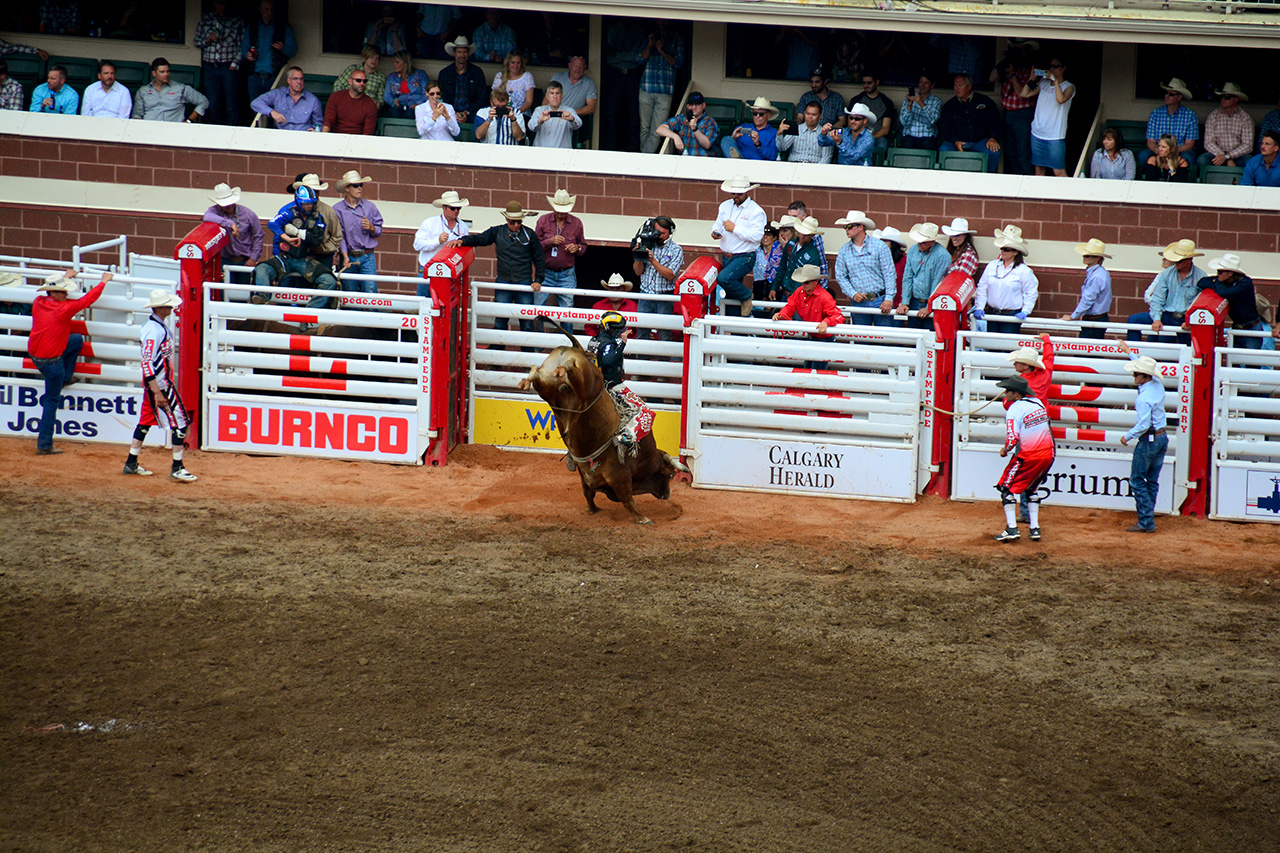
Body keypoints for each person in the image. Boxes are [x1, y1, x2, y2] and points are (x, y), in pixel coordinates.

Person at [27, 270, 109, 455]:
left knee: (76, 340)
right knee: (51, 400)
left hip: (37, 355)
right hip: (52, 363)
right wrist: (103, 282)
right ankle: (44, 443)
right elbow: (87, 300)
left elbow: (62, 294)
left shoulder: (39, 302)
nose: (67, 294)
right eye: (64, 291)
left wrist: (66, 277)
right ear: (54, 293)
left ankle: (66, 377)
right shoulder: (64, 310)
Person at [123, 290, 197, 482]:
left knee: (146, 419)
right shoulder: (155, 330)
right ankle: (177, 466)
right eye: (168, 305)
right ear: (160, 307)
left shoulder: (154, 327)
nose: (171, 308)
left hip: (155, 382)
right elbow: (147, 361)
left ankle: (131, 462)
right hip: (160, 383)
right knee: (180, 421)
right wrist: (157, 390)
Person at [450, 201, 545, 334]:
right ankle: (497, 347)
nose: (516, 225)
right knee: (500, 319)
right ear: (506, 219)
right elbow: (480, 239)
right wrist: (463, 241)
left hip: (523, 281)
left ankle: (526, 351)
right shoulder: (497, 231)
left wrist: (538, 279)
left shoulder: (530, 234)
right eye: (512, 222)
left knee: (526, 321)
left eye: (519, 222)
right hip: (504, 280)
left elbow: (539, 258)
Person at [254, 185, 339, 317]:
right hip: (285, 258)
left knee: (329, 281)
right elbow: (272, 223)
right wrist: (287, 237)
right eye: (305, 204)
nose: (308, 207)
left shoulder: (318, 218)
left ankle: (308, 313)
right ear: (299, 202)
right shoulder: (289, 212)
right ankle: (262, 297)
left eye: (311, 204)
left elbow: (316, 239)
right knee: (261, 269)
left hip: (305, 260)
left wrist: (297, 232)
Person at [992, 374, 1055, 543]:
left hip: (1029, 455)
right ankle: (1034, 529)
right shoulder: (1038, 403)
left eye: (1008, 391)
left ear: (1016, 394)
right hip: (1048, 454)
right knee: (1032, 489)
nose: (1005, 393)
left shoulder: (1015, 409)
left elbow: (1012, 437)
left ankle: (1012, 528)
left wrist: (1005, 450)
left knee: (1007, 488)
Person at [1117, 350, 1167, 534]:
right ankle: (1147, 518)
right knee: (1151, 480)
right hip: (1161, 437)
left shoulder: (1144, 398)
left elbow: (1144, 424)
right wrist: (1129, 353)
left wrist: (1127, 436)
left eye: (1136, 373)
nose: (1133, 376)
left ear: (1144, 376)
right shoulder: (1157, 385)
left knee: (1137, 480)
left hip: (1149, 439)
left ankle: (1146, 521)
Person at [1126, 239, 1205, 344]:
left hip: (1186, 318)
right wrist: (1157, 318)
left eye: (1179, 261)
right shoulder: (1167, 274)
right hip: (1167, 315)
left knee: (1189, 348)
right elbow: (1158, 298)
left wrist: (1191, 320)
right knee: (1134, 320)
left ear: (1190, 259)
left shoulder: (1201, 277)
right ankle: (1132, 352)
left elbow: (1202, 303)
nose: (1176, 263)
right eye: (1175, 260)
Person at [712, 176, 767, 316]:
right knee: (730, 292)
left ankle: (746, 295)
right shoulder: (724, 206)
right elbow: (718, 224)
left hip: (745, 255)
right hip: (728, 255)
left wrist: (734, 228)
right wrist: (715, 232)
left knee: (724, 279)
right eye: (734, 193)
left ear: (747, 192)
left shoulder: (756, 211)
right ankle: (733, 325)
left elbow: (756, 236)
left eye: (739, 194)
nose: (736, 196)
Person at [772, 264, 843, 370]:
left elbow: (838, 315)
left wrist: (826, 322)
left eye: (807, 282)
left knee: (816, 369)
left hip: (823, 339)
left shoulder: (825, 297)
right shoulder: (799, 292)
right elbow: (790, 306)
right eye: (803, 282)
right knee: (809, 368)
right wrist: (781, 315)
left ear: (816, 281)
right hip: (812, 336)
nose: (803, 285)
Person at [834, 209, 894, 326]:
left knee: (884, 339)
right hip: (859, 301)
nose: (846, 229)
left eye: (850, 226)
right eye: (845, 227)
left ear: (861, 227)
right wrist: (853, 293)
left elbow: (889, 273)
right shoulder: (844, 250)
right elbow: (840, 276)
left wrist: (889, 298)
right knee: (861, 339)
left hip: (880, 299)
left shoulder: (879, 247)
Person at [975, 225, 1038, 335]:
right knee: (992, 346)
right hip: (992, 313)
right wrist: (979, 306)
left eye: (1007, 249)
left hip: (1011, 316)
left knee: (1007, 347)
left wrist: (1025, 311)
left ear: (1016, 252)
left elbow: (1031, 292)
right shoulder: (992, 265)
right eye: (1002, 248)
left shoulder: (1024, 271)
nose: (1003, 251)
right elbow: (982, 287)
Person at [535, 189, 588, 317]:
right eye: (558, 211)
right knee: (537, 308)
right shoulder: (543, 221)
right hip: (545, 272)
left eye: (563, 212)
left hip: (567, 273)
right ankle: (537, 336)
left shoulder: (577, 223)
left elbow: (583, 246)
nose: (560, 214)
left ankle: (565, 337)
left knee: (567, 311)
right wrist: (549, 242)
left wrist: (577, 248)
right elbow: (535, 247)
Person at [991, 39, 1038, 175]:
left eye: (1023, 49)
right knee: (1010, 152)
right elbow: (992, 78)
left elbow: (1021, 93)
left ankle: (1026, 182)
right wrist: (1003, 61)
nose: (1020, 53)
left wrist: (1012, 75)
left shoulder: (1032, 71)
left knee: (1023, 152)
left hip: (1023, 114)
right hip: (1008, 113)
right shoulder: (1010, 65)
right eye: (1017, 49)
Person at [631, 215, 682, 341]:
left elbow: (670, 275)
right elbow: (638, 272)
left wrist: (653, 260)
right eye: (657, 232)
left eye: (663, 233)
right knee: (642, 332)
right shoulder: (647, 244)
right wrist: (638, 256)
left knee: (664, 333)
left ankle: (664, 359)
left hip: (664, 296)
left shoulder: (676, 250)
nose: (659, 235)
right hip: (645, 294)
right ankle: (642, 360)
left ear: (670, 232)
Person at [194, 0, 245, 125]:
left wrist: (235, 63)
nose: (222, 6)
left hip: (228, 66)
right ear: (214, 4)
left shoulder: (236, 21)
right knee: (212, 102)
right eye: (219, 3)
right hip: (210, 67)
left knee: (231, 102)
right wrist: (207, 40)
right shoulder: (206, 19)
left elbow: (242, 46)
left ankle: (233, 131)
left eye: (224, 3)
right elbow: (197, 42)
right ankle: (215, 132)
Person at [938, 74, 1002, 173]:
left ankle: (987, 179)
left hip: (980, 142)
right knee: (944, 149)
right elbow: (944, 128)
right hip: (957, 142)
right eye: (955, 85)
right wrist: (955, 141)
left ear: (969, 86)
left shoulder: (985, 101)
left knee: (993, 151)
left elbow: (996, 122)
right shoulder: (950, 105)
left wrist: (993, 138)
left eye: (960, 85)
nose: (957, 88)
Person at [1199, 254, 1265, 349]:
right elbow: (1202, 282)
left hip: (1251, 327)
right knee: (1234, 361)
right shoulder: (1227, 282)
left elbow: (1225, 292)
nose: (1218, 275)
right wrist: (1219, 282)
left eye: (1220, 272)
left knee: (1252, 361)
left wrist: (1216, 282)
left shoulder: (1245, 283)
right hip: (1237, 327)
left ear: (1230, 273)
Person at [1022, 58, 1074, 177]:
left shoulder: (1069, 87)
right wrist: (1031, 79)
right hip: (1037, 133)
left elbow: (1060, 99)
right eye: (1050, 66)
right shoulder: (1043, 83)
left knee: (1059, 171)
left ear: (1063, 68)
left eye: (1055, 66)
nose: (1051, 69)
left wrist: (1055, 81)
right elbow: (1024, 94)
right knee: (1039, 171)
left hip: (1055, 135)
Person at [638, 20, 684, 154]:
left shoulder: (676, 38)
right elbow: (640, 58)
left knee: (658, 129)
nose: (661, 22)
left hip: (665, 90)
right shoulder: (650, 37)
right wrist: (650, 44)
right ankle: (646, 157)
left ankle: (644, 158)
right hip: (646, 87)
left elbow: (678, 63)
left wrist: (661, 50)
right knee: (644, 128)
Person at [332, 171, 383, 293]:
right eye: (355, 186)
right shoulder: (338, 209)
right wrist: (344, 256)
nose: (359, 188)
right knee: (350, 296)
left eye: (361, 185)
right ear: (347, 188)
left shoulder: (370, 207)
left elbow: (379, 230)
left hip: (367, 256)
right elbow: (340, 235)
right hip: (349, 256)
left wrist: (372, 228)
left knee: (371, 294)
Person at [202, 183, 264, 282]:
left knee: (243, 293)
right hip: (225, 260)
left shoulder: (248, 214)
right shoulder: (215, 211)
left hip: (245, 260)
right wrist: (231, 224)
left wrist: (253, 258)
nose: (229, 206)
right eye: (225, 204)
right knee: (224, 292)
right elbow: (207, 216)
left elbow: (258, 236)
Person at [602, 19, 648, 151]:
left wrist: (619, 54)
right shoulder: (614, 29)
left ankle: (633, 150)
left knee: (634, 115)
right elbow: (608, 53)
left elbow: (641, 56)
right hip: (614, 75)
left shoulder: (639, 31)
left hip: (633, 75)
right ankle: (610, 150)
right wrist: (632, 56)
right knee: (612, 114)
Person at [241, 0, 297, 107]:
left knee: (275, 109)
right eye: (266, 9)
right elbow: (244, 48)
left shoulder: (283, 27)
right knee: (256, 109)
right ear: (260, 10)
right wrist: (247, 54)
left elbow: (293, 50)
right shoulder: (252, 27)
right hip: (255, 77)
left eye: (272, 9)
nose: (269, 12)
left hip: (273, 78)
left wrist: (283, 48)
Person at [413, 189, 470, 295]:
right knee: (424, 302)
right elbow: (417, 245)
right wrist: (437, 241)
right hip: (429, 269)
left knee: (447, 305)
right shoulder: (429, 223)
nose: (456, 211)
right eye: (453, 208)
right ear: (444, 208)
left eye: (458, 208)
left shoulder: (463, 226)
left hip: (450, 272)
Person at [898, 222, 950, 329]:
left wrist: (929, 306)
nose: (920, 244)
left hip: (931, 303)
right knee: (914, 335)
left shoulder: (943, 256)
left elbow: (937, 282)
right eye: (919, 241)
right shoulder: (913, 250)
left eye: (923, 242)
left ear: (932, 241)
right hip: (914, 301)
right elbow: (907, 277)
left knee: (930, 336)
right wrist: (905, 302)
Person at [1059, 238, 1112, 339]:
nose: (1084, 258)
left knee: (1086, 351)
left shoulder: (1097, 276)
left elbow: (1088, 299)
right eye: (1084, 255)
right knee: (1091, 351)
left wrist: (1072, 316)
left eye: (1087, 256)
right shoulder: (1099, 273)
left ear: (1097, 258)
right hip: (1095, 318)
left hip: (1095, 319)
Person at [132, 58, 209, 123]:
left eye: (167, 71)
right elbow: (137, 114)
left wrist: (189, 121)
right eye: (162, 72)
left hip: (174, 130)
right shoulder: (143, 91)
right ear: (154, 73)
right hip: (148, 129)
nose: (166, 74)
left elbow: (204, 102)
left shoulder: (180, 88)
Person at [1199, 83, 1253, 169]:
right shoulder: (1213, 116)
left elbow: (1248, 145)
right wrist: (1223, 156)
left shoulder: (1245, 117)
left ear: (1236, 99)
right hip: (1216, 153)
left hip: (1238, 155)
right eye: (1222, 97)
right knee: (1202, 160)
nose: (1223, 99)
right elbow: (1208, 142)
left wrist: (1228, 156)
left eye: (1227, 97)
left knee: (1249, 161)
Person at [771, 216, 823, 302]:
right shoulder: (791, 244)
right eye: (801, 233)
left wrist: (792, 297)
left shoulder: (813, 255)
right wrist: (774, 287)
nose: (802, 236)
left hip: (799, 297)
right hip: (786, 292)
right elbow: (782, 266)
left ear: (812, 235)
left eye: (805, 235)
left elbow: (806, 280)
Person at [437, 36, 487, 124]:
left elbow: (482, 98)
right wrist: (453, 113)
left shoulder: (477, 72)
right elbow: (442, 97)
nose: (462, 55)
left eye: (464, 52)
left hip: (472, 113)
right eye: (459, 52)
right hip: (449, 112)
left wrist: (466, 112)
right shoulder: (445, 73)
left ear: (468, 54)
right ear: (454, 53)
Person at [1145, 77, 1198, 157]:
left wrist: (1172, 151)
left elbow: (1189, 144)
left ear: (1179, 97)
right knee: (1144, 155)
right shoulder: (1155, 113)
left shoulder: (1190, 115)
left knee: (1188, 157)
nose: (1167, 96)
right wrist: (1157, 150)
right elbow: (1151, 142)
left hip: (1179, 151)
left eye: (1171, 94)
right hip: (1159, 150)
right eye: (1166, 93)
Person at [655, 91, 718, 156]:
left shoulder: (710, 121)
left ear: (703, 105)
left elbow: (707, 145)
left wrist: (695, 129)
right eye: (691, 104)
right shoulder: (681, 119)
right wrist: (675, 137)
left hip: (705, 161)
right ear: (687, 106)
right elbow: (660, 129)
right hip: (685, 160)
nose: (694, 107)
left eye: (697, 104)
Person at [849, 70, 895, 150]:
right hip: (857, 135)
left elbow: (885, 129)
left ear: (877, 83)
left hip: (877, 136)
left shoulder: (886, 102)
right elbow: (850, 124)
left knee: (882, 145)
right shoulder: (856, 100)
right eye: (864, 83)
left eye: (869, 83)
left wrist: (869, 138)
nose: (866, 85)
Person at [322, 68, 378, 135]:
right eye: (358, 80)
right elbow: (328, 121)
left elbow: (368, 132)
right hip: (337, 138)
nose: (362, 83)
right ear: (350, 82)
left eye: (365, 81)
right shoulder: (336, 97)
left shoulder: (370, 104)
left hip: (357, 141)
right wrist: (323, 138)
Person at [530, 82, 582, 149]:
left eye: (557, 93)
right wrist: (539, 121)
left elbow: (579, 124)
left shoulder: (569, 111)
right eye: (552, 93)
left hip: (563, 153)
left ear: (562, 95)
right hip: (541, 152)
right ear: (547, 96)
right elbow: (530, 126)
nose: (555, 96)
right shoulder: (539, 110)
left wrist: (572, 119)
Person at [587, 310, 632, 389]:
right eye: (617, 329)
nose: (620, 331)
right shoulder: (608, 343)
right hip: (610, 385)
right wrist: (622, 344)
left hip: (594, 383)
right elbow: (609, 361)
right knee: (635, 401)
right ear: (609, 328)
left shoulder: (594, 339)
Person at [548, 54, 598, 123]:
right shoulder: (558, 77)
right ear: (570, 66)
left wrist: (571, 113)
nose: (578, 70)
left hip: (572, 119)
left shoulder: (589, 83)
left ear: (585, 68)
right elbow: (547, 99)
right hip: (554, 116)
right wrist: (548, 114)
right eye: (576, 66)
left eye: (581, 67)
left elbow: (591, 107)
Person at [898, 72, 942, 150]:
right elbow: (904, 123)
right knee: (906, 146)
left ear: (932, 85)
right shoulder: (909, 98)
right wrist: (909, 106)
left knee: (928, 146)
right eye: (921, 82)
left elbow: (932, 120)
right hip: (910, 135)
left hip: (927, 136)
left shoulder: (936, 101)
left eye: (926, 83)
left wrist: (921, 103)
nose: (922, 86)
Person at [872, 226, 908, 312]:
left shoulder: (904, 260)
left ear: (893, 244)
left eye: (885, 241)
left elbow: (907, 281)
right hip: (878, 301)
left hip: (897, 304)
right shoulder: (876, 258)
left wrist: (903, 302)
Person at [384, 51, 429, 119]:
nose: (394, 65)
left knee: (411, 114)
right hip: (399, 105)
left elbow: (427, 93)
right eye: (394, 62)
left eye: (397, 62)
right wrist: (393, 102)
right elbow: (387, 95)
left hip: (415, 105)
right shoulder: (392, 77)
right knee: (394, 112)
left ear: (405, 63)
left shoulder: (420, 74)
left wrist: (419, 104)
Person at [491, 50, 534, 116]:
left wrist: (515, 113)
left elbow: (529, 102)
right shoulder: (499, 76)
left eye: (518, 63)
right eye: (513, 63)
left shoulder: (527, 76)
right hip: (501, 114)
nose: (515, 65)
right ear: (508, 63)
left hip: (521, 115)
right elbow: (493, 98)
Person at [943, 217, 980, 284]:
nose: (954, 238)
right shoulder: (954, 251)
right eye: (952, 235)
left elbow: (959, 279)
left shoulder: (969, 255)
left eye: (957, 236)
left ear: (965, 236)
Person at [753, 223, 783, 304]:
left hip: (775, 285)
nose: (765, 237)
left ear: (774, 238)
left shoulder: (779, 252)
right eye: (763, 235)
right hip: (759, 284)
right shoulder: (756, 251)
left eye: (768, 235)